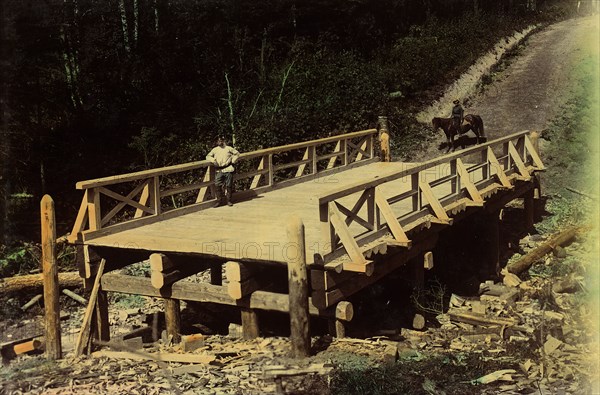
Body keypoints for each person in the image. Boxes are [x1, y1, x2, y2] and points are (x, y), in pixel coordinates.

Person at [206, 136, 240, 207]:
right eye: (218, 141)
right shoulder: (215, 150)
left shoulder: (228, 148)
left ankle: (229, 200)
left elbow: (237, 153)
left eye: (221, 141)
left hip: (228, 169)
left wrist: (233, 160)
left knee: (229, 185)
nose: (220, 142)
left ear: (223, 141)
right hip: (219, 170)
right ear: (217, 142)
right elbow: (208, 156)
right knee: (217, 184)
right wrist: (213, 160)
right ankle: (219, 201)